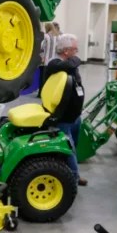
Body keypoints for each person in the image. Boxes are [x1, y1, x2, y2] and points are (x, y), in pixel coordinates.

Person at [43, 33, 87, 187]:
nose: (77, 52)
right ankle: (73, 178)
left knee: (74, 145)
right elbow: (72, 63)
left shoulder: (69, 63)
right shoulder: (54, 64)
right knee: (69, 149)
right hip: (63, 117)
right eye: (75, 49)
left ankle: (71, 173)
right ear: (66, 51)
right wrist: (76, 60)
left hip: (74, 116)